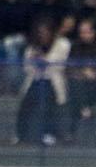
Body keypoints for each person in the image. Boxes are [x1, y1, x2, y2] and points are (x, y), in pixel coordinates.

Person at [15, 16, 68, 145]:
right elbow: (27, 67)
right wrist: (35, 61)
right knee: (25, 104)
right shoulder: (32, 47)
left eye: (46, 32)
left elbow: (60, 65)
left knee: (48, 101)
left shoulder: (62, 44)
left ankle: (49, 133)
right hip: (36, 79)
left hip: (53, 80)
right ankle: (20, 135)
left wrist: (44, 60)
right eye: (41, 33)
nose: (43, 35)